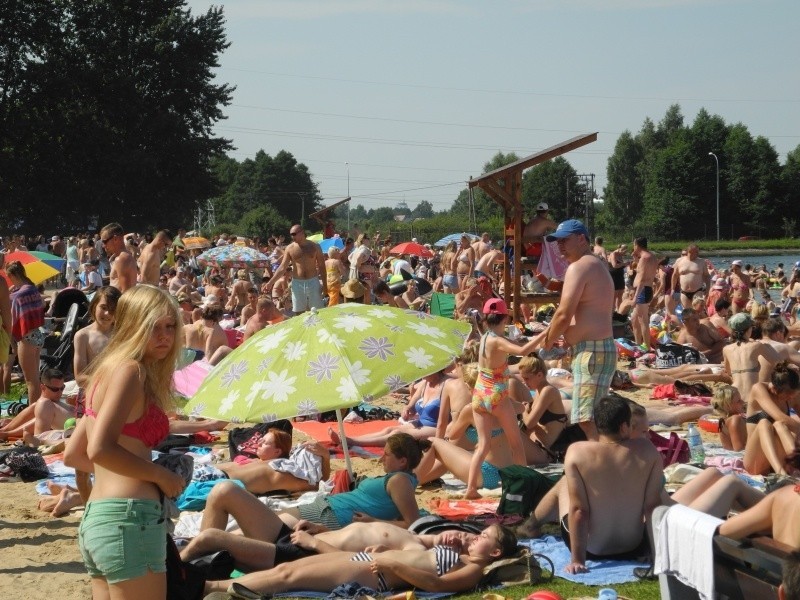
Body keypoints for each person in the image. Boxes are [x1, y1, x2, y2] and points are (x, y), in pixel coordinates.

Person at [65, 285, 187, 598]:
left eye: (169, 326)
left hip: (99, 519)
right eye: (153, 327)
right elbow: (99, 449)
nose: (164, 336)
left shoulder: (104, 372)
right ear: (133, 325)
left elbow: (73, 454)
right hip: (129, 521)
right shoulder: (132, 371)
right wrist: (159, 475)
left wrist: (121, 473)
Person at [517, 396, 663, 573]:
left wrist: (577, 560)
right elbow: (652, 507)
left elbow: (579, 510)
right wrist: (656, 556)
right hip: (634, 547)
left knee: (564, 484)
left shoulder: (578, 452)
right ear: (624, 426)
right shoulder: (647, 450)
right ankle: (531, 524)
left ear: (597, 424)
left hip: (592, 550)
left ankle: (532, 524)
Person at [202, 524, 518, 596]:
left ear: (495, 552)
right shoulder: (462, 556)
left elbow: (436, 585)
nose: (477, 534)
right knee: (286, 569)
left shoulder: (473, 570)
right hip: (370, 561)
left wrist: (394, 565)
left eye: (485, 535)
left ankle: (205, 586)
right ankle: (210, 585)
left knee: (289, 578)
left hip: (374, 574)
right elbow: (424, 562)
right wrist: (392, 555)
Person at [531, 219, 615, 440]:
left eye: (565, 240)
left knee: (588, 419)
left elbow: (563, 313)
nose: (560, 246)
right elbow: (587, 312)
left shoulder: (579, 267)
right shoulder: (596, 264)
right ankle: (606, 463)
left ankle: (604, 466)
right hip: (597, 348)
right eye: (557, 242)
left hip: (592, 352)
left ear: (581, 239)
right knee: (593, 416)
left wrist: (547, 342)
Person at [181, 519, 480, 574]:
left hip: (302, 553)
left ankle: (174, 573)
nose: (457, 540)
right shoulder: (410, 532)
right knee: (225, 490)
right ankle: (197, 568)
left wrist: (314, 542)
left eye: (462, 547)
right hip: (306, 537)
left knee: (210, 537)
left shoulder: (416, 553)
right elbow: (356, 536)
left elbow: (359, 563)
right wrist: (324, 530)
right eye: (462, 535)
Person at [329, 371, 452, 446]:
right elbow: (411, 406)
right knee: (390, 429)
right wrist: (407, 410)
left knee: (397, 434)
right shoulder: (425, 384)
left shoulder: (446, 385)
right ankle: (349, 439)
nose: (423, 373)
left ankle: (352, 442)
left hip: (435, 427)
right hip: (421, 423)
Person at [743, 362, 800, 476]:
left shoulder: (793, 396)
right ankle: (781, 473)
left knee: (781, 425)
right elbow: (780, 417)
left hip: (778, 459)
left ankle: (795, 468)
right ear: (774, 389)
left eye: (793, 394)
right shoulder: (759, 389)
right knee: (765, 423)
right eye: (788, 395)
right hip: (756, 461)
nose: (790, 398)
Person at [265, 225, 327, 314]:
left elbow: (322, 266)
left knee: (317, 311)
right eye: (291, 234)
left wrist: (325, 286)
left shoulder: (315, 246)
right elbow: (282, 267)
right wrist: (270, 282)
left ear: (302, 232)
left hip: (313, 281)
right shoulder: (290, 248)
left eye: (294, 234)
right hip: (298, 283)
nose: (292, 237)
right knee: (299, 313)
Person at [6, 260, 45, 403]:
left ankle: (33, 412)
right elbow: (43, 304)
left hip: (26, 338)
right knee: (36, 378)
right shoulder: (33, 288)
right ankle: (38, 408)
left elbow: (9, 316)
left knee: (30, 381)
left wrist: (8, 293)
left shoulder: (16, 295)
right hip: (38, 335)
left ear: (14, 275)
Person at [723, 312, 780, 404]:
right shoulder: (756, 345)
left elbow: (728, 372)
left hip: (735, 399)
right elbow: (778, 362)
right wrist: (768, 346)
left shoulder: (726, 349)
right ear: (749, 329)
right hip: (753, 398)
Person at [515, 356, 568, 450]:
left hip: (546, 451)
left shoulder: (548, 391)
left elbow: (529, 424)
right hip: (537, 444)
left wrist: (523, 409)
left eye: (526, 378)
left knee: (509, 433)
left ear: (539, 375)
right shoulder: (539, 390)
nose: (524, 382)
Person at [630, 237, 659, 349]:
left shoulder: (644, 258)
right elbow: (643, 271)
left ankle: (646, 347)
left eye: (634, 245)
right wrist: (635, 259)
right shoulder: (650, 256)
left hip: (642, 290)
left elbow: (641, 278)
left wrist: (635, 297)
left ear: (637, 245)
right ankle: (638, 345)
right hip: (646, 289)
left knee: (643, 320)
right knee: (634, 319)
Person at [100, 223, 138, 292]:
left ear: (115, 239)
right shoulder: (124, 257)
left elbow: (125, 291)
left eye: (104, 242)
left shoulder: (121, 259)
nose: (103, 246)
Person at [671, 244, 710, 309]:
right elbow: (675, 275)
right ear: (690, 252)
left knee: (696, 311)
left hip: (697, 291)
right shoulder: (679, 261)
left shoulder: (702, 262)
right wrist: (672, 289)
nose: (698, 254)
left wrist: (708, 289)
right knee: (687, 312)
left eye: (698, 252)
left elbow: (707, 276)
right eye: (696, 252)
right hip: (684, 291)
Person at [711, 385, 747, 451]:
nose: (743, 402)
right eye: (738, 401)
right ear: (728, 406)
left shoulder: (723, 420)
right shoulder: (735, 419)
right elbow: (738, 449)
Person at [607, 244, 629, 311]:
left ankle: (618, 310)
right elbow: (614, 265)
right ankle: (612, 311)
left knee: (620, 295)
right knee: (614, 296)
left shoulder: (620, 255)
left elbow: (620, 266)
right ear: (620, 249)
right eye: (624, 252)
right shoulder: (614, 254)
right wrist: (624, 264)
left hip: (620, 276)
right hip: (614, 276)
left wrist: (626, 265)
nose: (624, 253)